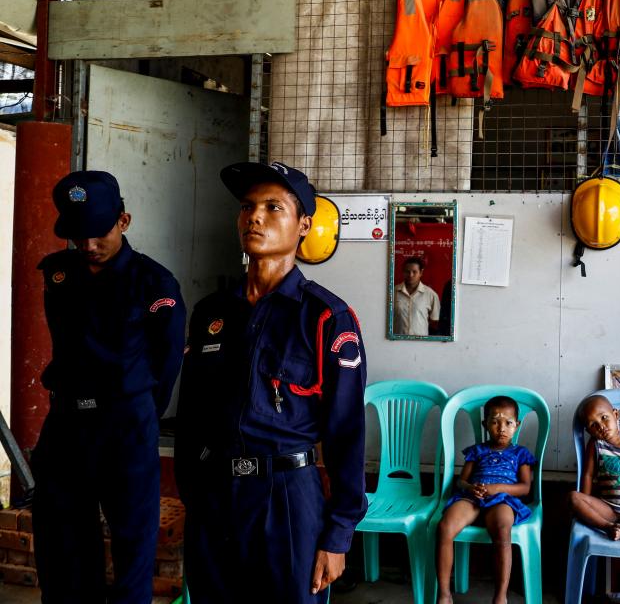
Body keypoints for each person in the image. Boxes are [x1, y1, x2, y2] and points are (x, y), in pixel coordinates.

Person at [174, 161, 367, 603]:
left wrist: (338, 533)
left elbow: (346, 433)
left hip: (286, 498)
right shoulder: (212, 313)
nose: (254, 217)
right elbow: (192, 412)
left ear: (303, 225)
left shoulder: (325, 318)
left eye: (272, 207)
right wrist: (194, 491)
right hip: (215, 496)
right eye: (247, 207)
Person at [32, 170, 186, 604]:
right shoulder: (59, 274)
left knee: (131, 551)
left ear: (124, 220)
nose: (88, 245)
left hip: (126, 426)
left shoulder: (155, 285)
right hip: (67, 427)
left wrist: (137, 413)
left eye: (98, 233)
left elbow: (167, 361)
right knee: (62, 554)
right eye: (77, 235)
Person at [436, 396, 535, 604]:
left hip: (503, 500)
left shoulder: (520, 453)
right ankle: (444, 593)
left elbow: (525, 488)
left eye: (508, 423)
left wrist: (497, 488)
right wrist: (471, 487)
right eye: (495, 421)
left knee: (502, 530)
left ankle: (500, 597)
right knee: (445, 527)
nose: (501, 428)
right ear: (485, 424)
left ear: (517, 425)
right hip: (472, 497)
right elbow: (462, 481)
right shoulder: (477, 451)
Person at [568, 394, 620, 541]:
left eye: (604, 417)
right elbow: (588, 474)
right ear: (589, 431)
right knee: (574, 498)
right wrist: (587, 501)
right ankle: (609, 527)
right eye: (593, 425)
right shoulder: (596, 445)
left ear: (615, 414)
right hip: (609, 510)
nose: (601, 426)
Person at [394, 256, 441, 335]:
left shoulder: (431, 295)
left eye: (414, 272)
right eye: (407, 271)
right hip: (396, 342)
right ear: (403, 272)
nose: (410, 275)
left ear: (421, 273)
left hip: (420, 343)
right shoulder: (393, 292)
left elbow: (435, 321)